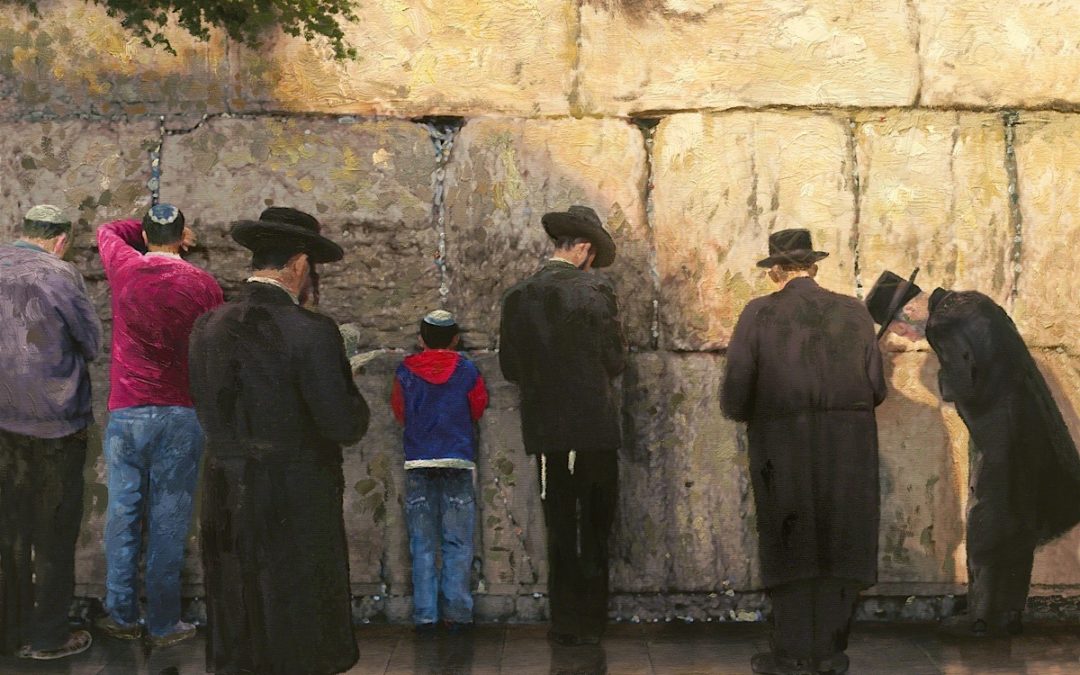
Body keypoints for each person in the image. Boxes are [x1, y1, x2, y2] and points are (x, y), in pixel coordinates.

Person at [188, 207, 370, 674]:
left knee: (238, 613)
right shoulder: (313, 332)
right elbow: (343, 424)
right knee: (298, 623)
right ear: (300, 266)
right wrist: (345, 379)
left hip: (225, 488)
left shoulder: (207, 327)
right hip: (295, 493)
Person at [866, 269, 1080, 638]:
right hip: (1030, 433)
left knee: (988, 525)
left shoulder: (943, 324)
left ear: (910, 310)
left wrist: (941, 383)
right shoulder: (974, 303)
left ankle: (981, 619)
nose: (904, 335)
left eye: (899, 326)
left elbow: (964, 383)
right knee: (1018, 524)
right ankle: (1007, 613)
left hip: (999, 438)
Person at [721, 229, 887, 675]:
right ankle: (831, 653)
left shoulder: (758, 314)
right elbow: (876, 389)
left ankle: (792, 653)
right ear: (813, 267)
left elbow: (734, 398)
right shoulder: (855, 312)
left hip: (782, 448)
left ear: (776, 271)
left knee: (789, 539)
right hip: (849, 447)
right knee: (841, 539)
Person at [94, 205, 223, 647]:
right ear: (182, 235)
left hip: (128, 410)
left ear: (145, 236)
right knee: (169, 518)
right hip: (181, 412)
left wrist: (146, 227)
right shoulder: (204, 285)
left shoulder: (126, 267)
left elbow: (108, 229)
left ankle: (122, 613)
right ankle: (164, 623)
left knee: (123, 515)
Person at [498, 205, 626, 646]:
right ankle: (592, 621)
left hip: (548, 433)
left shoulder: (518, 296)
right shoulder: (596, 293)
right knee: (595, 524)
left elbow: (510, 367)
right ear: (586, 249)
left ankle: (564, 621)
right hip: (594, 432)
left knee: (558, 524)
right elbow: (616, 360)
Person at [0, 205, 101, 660]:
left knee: (9, 536)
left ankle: (7, 634)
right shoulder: (61, 274)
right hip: (56, 427)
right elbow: (92, 343)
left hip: (2, 425)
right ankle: (48, 637)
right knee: (55, 536)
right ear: (61, 240)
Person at [391, 310, 488, 633]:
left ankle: (425, 614)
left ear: (421, 339)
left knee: (422, 542)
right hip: (457, 461)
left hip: (419, 461)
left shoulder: (405, 371)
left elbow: (400, 410)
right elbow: (478, 406)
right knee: (458, 541)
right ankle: (458, 612)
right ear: (456, 339)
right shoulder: (467, 369)